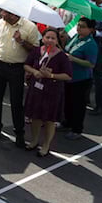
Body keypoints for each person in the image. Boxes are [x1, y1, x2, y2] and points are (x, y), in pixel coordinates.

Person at [0, 9, 40, 147]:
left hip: (17, 68)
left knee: (16, 102)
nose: (2, 15)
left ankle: (19, 133)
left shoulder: (30, 27)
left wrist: (21, 41)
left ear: (14, 14)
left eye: (4, 13)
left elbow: (36, 50)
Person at [23, 28, 73, 156]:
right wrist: (35, 72)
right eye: (47, 37)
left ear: (57, 41)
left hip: (52, 92)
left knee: (50, 120)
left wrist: (51, 76)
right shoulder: (36, 51)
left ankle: (46, 145)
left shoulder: (62, 56)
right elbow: (26, 65)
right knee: (35, 117)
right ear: (43, 38)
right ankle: (34, 140)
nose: (50, 40)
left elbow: (68, 76)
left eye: (53, 38)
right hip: (36, 89)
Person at [62, 18, 98, 141]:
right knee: (67, 101)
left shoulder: (91, 44)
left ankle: (77, 129)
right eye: (78, 25)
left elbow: (91, 64)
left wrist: (73, 59)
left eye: (82, 27)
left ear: (91, 30)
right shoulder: (76, 38)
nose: (79, 28)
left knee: (78, 105)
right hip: (69, 76)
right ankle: (67, 122)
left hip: (81, 79)